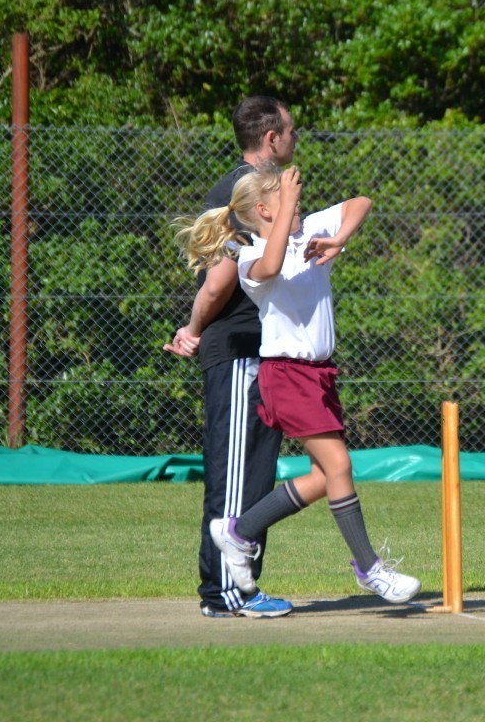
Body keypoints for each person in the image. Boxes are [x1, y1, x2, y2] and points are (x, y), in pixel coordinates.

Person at [176, 162, 422, 605]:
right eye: (285, 195)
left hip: (319, 373)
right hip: (286, 374)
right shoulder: (249, 253)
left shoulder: (307, 229)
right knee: (339, 466)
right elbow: (271, 267)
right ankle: (370, 569)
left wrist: (339, 237)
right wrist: (287, 204)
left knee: (324, 477)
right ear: (265, 210)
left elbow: (361, 202)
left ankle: (239, 531)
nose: (298, 197)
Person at [163, 96, 299, 618]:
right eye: (290, 130)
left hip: (261, 352)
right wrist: (193, 329)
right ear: (271, 138)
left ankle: (243, 588)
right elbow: (219, 281)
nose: (295, 138)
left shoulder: (258, 190)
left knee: (256, 475)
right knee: (236, 476)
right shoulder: (243, 193)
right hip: (239, 351)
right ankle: (225, 593)